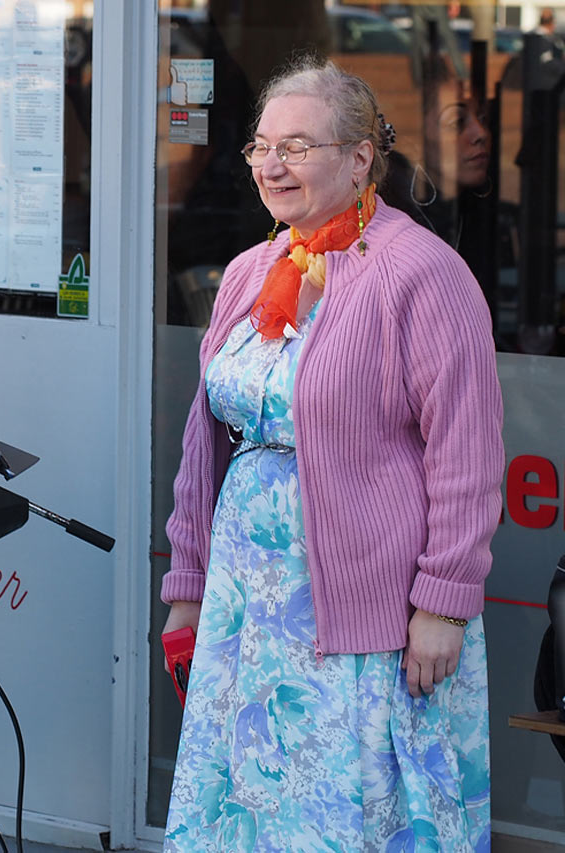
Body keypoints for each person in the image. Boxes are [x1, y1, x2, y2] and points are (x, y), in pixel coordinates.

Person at [160, 57, 502, 851]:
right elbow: (202, 440)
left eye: (299, 146)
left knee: (353, 810)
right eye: (261, 146)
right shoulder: (251, 269)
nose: (273, 165)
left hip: (366, 612)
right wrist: (189, 583)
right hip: (252, 603)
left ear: (358, 159)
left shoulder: (421, 272)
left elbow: (468, 449)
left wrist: (444, 601)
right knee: (254, 805)